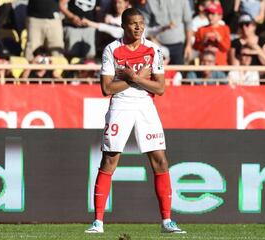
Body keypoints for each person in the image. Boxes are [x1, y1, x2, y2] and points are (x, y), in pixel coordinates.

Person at [85, 8, 185, 234]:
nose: (138, 27)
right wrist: (136, 80)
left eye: (141, 23)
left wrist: (133, 77)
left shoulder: (153, 50)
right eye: (133, 23)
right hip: (120, 103)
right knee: (110, 159)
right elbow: (107, 88)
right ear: (123, 25)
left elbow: (159, 88)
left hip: (145, 105)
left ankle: (167, 221)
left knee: (159, 159)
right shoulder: (112, 49)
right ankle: (98, 222)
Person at [137, 0, 193, 65]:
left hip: (179, 46)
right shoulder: (149, 2)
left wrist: (189, 45)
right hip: (158, 46)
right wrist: (152, 38)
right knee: (158, 73)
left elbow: (188, 22)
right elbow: (144, 26)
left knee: (179, 73)